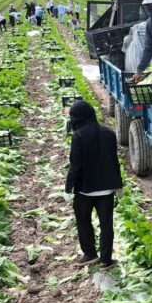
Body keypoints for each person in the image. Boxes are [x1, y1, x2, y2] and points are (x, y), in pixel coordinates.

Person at [65, 100, 122, 268]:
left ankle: (89, 254)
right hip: (106, 190)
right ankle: (106, 260)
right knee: (106, 225)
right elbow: (114, 160)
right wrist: (118, 184)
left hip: (85, 190)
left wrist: (68, 187)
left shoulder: (78, 136)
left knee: (83, 221)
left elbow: (75, 165)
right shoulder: (109, 133)